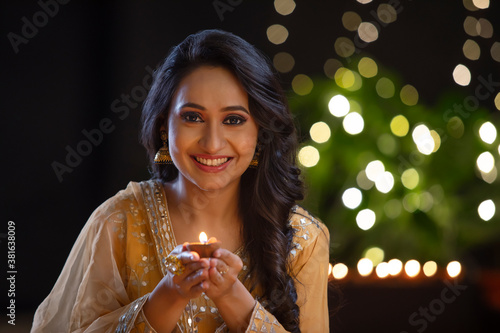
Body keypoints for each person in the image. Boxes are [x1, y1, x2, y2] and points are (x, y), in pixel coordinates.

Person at [31, 29, 330, 333]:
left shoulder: (303, 239)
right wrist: (170, 295)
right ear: (164, 127)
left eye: (234, 120)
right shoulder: (117, 222)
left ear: (260, 131)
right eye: (193, 117)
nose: (213, 144)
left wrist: (230, 296)